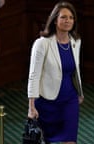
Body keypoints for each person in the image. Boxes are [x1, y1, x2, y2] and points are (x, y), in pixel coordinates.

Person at [27, 1, 84, 144]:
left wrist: (79, 92)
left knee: (70, 140)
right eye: (64, 17)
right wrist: (31, 106)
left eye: (71, 18)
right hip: (47, 102)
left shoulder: (76, 41)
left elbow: (75, 70)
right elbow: (34, 76)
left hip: (70, 99)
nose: (68, 21)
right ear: (54, 20)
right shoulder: (42, 43)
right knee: (48, 140)